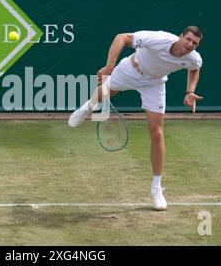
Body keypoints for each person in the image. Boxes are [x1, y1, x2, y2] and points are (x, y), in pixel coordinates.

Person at [68, 26, 204, 211]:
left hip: (154, 83)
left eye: (194, 43)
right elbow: (121, 37)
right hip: (130, 70)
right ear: (180, 37)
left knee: (157, 133)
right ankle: (88, 107)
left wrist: (190, 91)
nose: (189, 45)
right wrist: (109, 66)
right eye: (187, 39)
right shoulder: (159, 39)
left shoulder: (193, 58)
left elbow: (194, 69)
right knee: (103, 94)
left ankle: (156, 188)